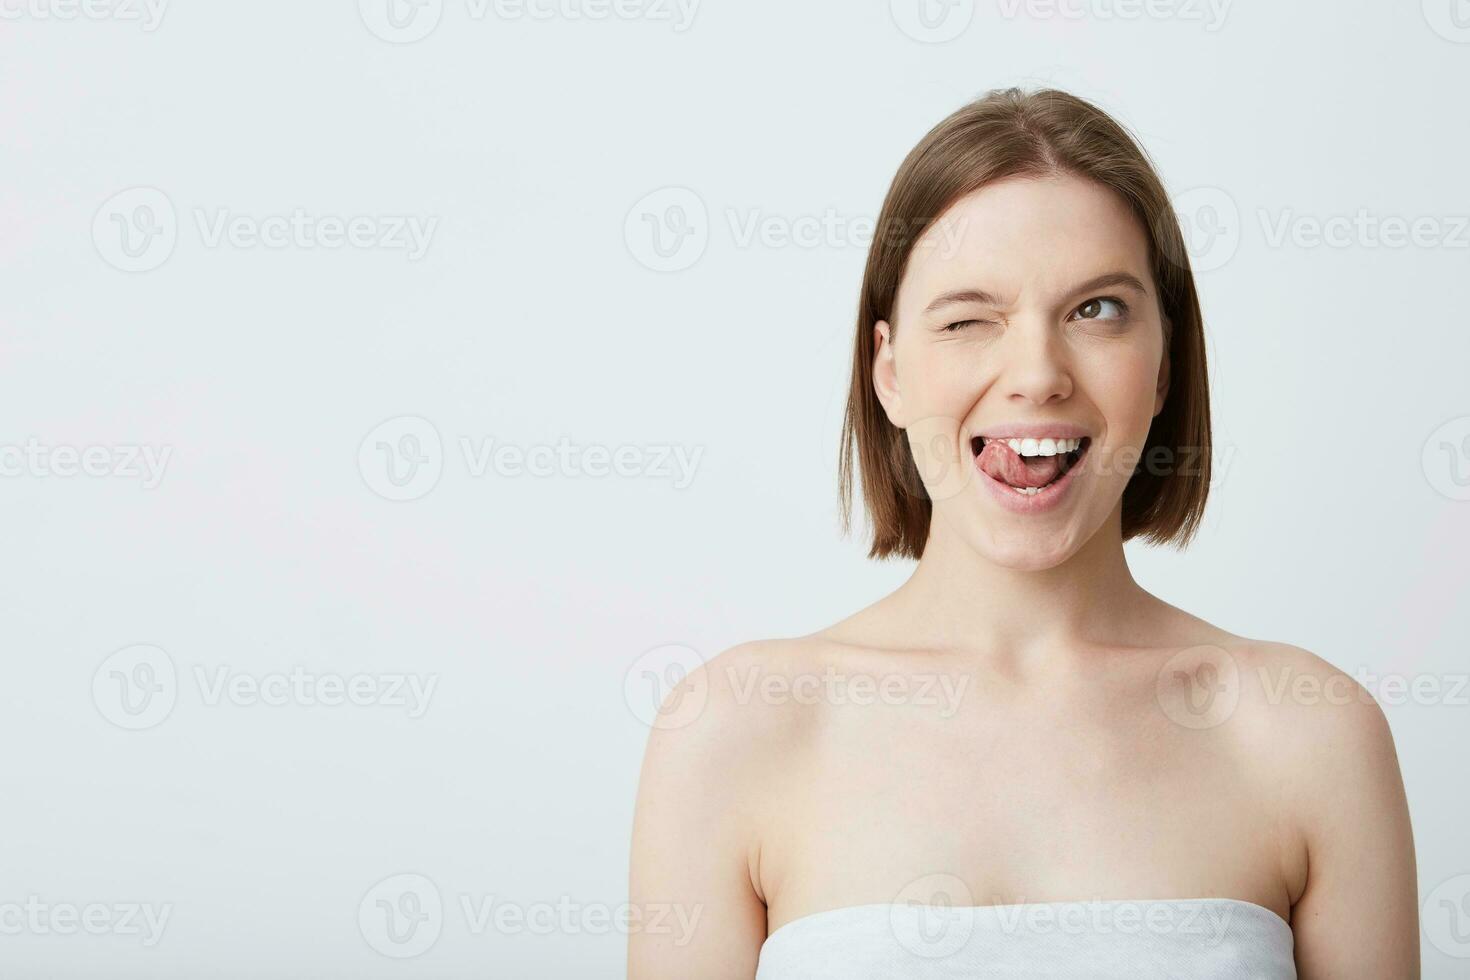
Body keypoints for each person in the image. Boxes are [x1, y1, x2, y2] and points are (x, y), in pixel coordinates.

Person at [628, 87, 1418, 979]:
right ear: (887, 370)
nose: (1037, 374)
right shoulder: (732, 729)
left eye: (1098, 311)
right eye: (968, 319)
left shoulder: (1310, 736)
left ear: (1165, 364)